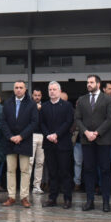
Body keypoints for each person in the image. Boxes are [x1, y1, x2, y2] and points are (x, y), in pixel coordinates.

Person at [75, 73, 111, 212]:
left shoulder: (107, 99)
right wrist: (86, 132)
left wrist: (97, 133)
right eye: (88, 82)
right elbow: (78, 119)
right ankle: (90, 201)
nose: (89, 84)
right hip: (86, 141)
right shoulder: (81, 100)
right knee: (89, 171)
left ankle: (106, 202)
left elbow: (110, 119)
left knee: (105, 170)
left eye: (91, 82)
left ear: (98, 84)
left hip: (103, 140)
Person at [0, 80, 38, 208]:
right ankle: (11, 197)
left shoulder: (31, 104)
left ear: (25, 89)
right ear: (13, 89)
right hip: (10, 141)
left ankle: (24, 197)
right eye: (16, 87)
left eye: (21, 87)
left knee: (25, 170)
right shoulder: (7, 103)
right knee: (10, 170)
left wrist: (21, 136)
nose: (18, 90)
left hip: (25, 140)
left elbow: (34, 123)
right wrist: (11, 136)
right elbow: (3, 122)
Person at [40, 80, 75, 209]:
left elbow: (68, 122)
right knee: (52, 173)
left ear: (60, 91)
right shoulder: (44, 106)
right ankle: (52, 198)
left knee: (65, 172)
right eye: (50, 90)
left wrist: (57, 135)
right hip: (49, 144)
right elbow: (41, 123)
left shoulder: (67, 106)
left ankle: (67, 199)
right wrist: (48, 135)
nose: (52, 92)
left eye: (54, 89)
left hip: (63, 144)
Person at [30, 87, 46, 195]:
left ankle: (37, 186)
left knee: (40, 162)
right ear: (32, 95)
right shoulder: (28, 106)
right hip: (31, 135)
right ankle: (26, 186)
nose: (37, 97)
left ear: (41, 96)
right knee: (29, 162)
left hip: (42, 136)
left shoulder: (45, 106)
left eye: (38, 95)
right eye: (35, 95)